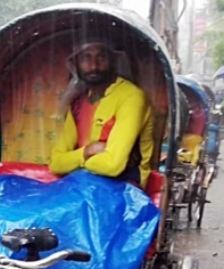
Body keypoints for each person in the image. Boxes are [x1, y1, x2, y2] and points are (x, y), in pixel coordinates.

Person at [51, 38, 154, 188]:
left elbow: (113, 165)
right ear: (76, 64)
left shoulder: (132, 97)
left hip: (125, 190)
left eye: (101, 57)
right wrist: (87, 152)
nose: (94, 66)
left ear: (113, 61)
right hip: (83, 186)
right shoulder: (77, 104)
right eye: (86, 58)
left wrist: (75, 161)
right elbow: (55, 163)